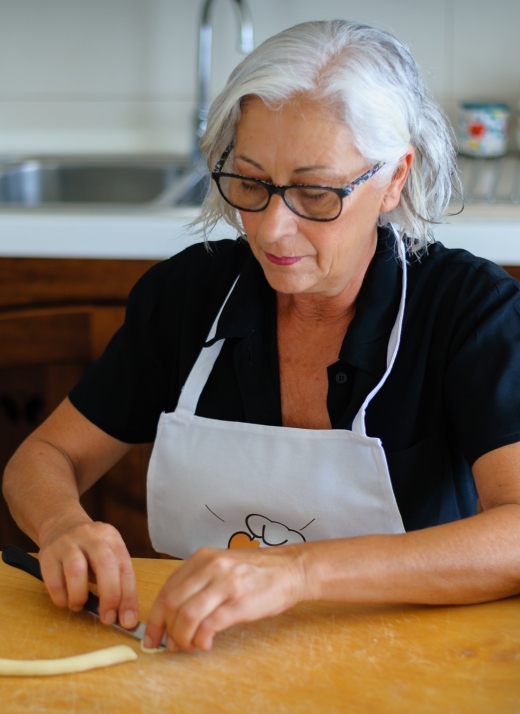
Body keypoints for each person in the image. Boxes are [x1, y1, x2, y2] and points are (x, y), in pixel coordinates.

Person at [3, 20, 520, 654]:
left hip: (410, 662)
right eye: (251, 183)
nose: (273, 229)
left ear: (393, 179)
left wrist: (298, 571)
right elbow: (45, 456)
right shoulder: (190, 297)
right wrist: (61, 525)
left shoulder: (468, 311)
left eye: (315, 192)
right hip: (194, 657)